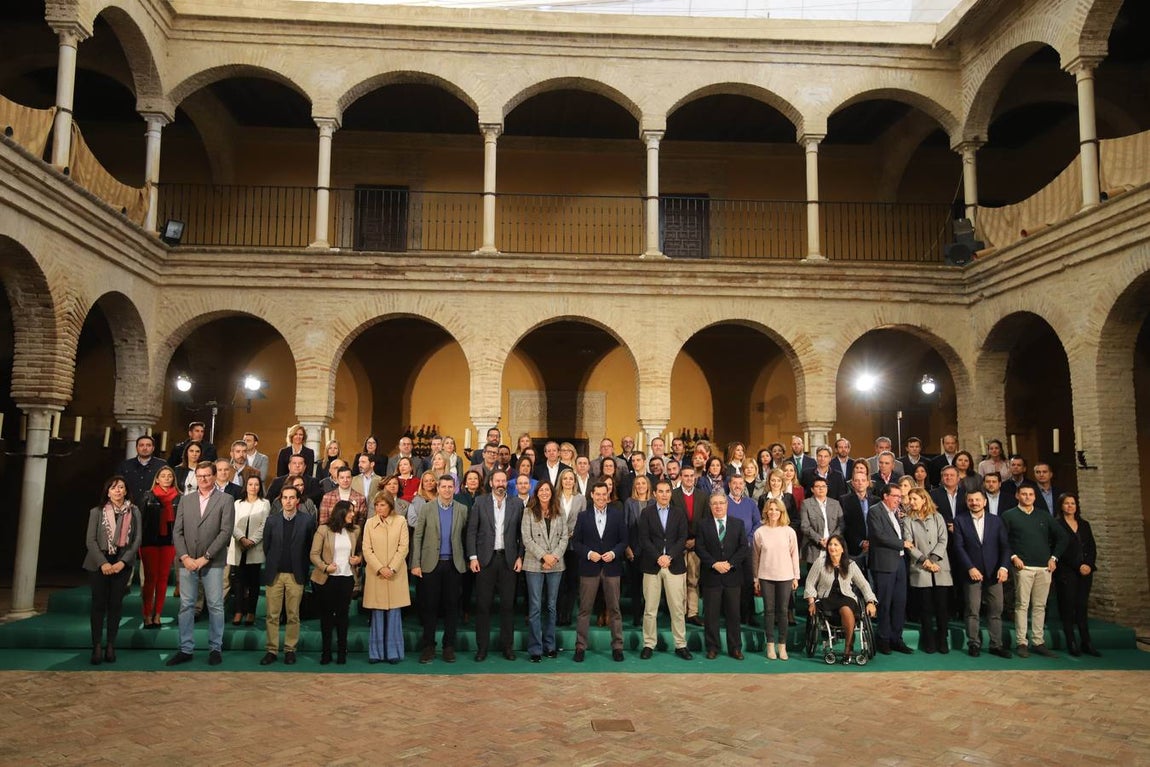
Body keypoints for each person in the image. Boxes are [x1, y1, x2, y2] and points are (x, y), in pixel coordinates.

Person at [167, 461, 235, 666]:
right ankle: (185, 649)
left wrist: (205, 557)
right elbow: (177, 532)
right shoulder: (185, 500)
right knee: (186, 606)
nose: (203, 479)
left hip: (212, 562)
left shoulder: (225, 499)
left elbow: (225, 532)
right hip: (187, 562)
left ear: (214, 476)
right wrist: (185, 557)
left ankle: (215, 648)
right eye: (199, 476)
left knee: (215, 605)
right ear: (195, 477)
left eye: (207, 475)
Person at [1002, 485, 1068, 658]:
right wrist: (1013, 556)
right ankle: (1021, 642)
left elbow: (1062, 537)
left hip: (1044, 567)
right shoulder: (1009, 515)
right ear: (1017, 495)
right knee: (1022, 605)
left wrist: (1054, 558)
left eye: (1031, 494)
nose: (1027, 497)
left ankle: (1038, 641)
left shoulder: (1043, 516)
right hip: (1023, 567)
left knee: (1040, 606)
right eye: (1024, 494)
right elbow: (1003, 540)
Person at [467, 469, 525, 662]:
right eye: (497, 481)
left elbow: (522, 533)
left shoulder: (517, 503)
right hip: (485, 560)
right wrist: (473, 557)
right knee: (483, 606)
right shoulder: (480, 502)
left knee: (508, 606)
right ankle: (481, 648)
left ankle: (507, 647)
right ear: (491, 483)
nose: (500, 484)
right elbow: (472, 531)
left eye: (503, 481)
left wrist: (520, 556)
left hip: (508, 560)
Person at [411, 475, 469, 663]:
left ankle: (448, 646)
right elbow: (417, 536)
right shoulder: (427, 508)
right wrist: (416, 563)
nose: (446, 490)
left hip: (454, 564)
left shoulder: (462, 509)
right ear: (438, 488)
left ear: (455, 488)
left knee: (452, 607)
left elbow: (466, 536)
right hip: (430, 564)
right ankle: (428, 647)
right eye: (443, 486)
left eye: (450, 487)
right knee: (430, 607)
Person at [83, 476, 141, 664]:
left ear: (126, 491)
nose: (117, 491)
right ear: (107, 491)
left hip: (121, 563)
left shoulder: (134, 511)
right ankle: (97, 646)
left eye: (121, 487)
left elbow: (136, 540)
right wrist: (103, 563)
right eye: (114, 488)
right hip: (98, 562)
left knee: (115, 604)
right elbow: (90, 540)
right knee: (98, 604)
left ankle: (110, 645)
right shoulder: (96, 512)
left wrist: (122, 562)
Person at [570, 482, 628, 662]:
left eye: (605, 495)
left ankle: (618, 647)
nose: (602, 498)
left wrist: (613, 553)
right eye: (598, 494)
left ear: (608, 496)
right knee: (585, 610)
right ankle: (580, 647)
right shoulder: (583, 516)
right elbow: (576, 543)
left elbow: (624, 541)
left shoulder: (617, 516)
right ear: (592, 496)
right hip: (589, 569)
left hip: (611, 569)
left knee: (615, 610)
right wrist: (589, 553)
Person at [259, 485, 317, 665]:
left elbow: (309, 546)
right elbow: (266, 547)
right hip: (274, 574)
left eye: (292, 497)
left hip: (296, 574)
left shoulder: (307, 521)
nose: (288, 501)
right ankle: (271, 650)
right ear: (280, 500)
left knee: (293, 615)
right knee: (272, 615)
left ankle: (290, 649)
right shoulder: (271, 521)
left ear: (298, 500)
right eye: (285, 497)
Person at [951, 487, 1011, 658]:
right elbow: (958, 547)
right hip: (971, 573)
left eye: (977, 500)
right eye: (971, 500)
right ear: (967, 502)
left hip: (995, 573)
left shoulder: (996, 521)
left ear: (985, 502)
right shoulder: (960, 521)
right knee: (972, 609)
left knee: (996, 610)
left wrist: (1004, 567)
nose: (974, 503)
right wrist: (970, 567)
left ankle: (996, 645)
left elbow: (1005, 546)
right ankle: (973, 643)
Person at [636, 479, 692, 661]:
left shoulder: (679, 513)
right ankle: (648, 644)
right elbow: (644, 539)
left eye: (667, 491)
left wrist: (669, 557)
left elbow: (682, 537)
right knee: (650, 609)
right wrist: (658, 557)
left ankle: (680, 644)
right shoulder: (646, 513)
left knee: (677, 608)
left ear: (671, 493)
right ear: (654, 494)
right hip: (652, 566)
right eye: (660, 491)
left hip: (674, 565)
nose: (664, 495)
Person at [804, 534, 878, 664]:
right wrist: (811, 601)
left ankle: (848, 647)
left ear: (842, 549)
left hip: (846, 598)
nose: (832, 547)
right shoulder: (820, 563)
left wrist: (870, 602)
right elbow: (810, 583)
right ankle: (848, 645)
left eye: (836, 545)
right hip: (826, 599)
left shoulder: (851, 565)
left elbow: (864, 585)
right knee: (842, 607)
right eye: (830, 545)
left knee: (846, 608)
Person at [310, 500, 362, 664]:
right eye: (350, 511)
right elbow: (314, 554)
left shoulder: (355, 530)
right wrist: (325, 567)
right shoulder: (324, 529)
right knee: (326, 617)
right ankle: (326, 653)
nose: (353, 514)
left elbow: (360, 552)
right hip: (327, 579)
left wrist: (358, 559)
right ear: (341, 512)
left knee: (342, 616)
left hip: (347, 578)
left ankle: (341, 652)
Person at [521, 480, 568, 662]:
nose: (545, 493)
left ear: (552, 492)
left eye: (547, 490)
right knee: (535, 608)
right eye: (542, 490)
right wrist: (544, 557)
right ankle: (535, 648)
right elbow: (527, 539)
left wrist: (553, 557)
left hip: (556, 564)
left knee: (551, 606)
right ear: (537, 492)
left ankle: (550, 646)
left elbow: (564, 537)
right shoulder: (528, 511)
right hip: (534, 564)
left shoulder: (560, 511)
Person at [696, 493, 747, 660]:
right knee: (711, 616)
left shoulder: (738, 524)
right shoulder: (703, 525)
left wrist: (730, 564)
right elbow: (700, 548)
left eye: (721, 503)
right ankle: (712, 647)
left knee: (733, 614)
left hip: (732, 577)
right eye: (714, 504)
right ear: (710, 507)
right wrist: (714, 563)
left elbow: (743, 548)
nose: (718, 506)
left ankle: (735, 648)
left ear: (727, 505)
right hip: (711, 576)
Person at [362, 492, 410, 664]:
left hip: (395, 574)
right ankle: (376, 653)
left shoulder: (401, 521)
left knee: (394, 613)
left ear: (390, 506)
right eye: (377, 505)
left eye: (382, 505)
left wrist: (391, 568)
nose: (379, 508)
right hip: (377, 575)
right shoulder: (369, 523)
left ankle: (393, 653)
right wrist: (380, 568)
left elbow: (403, 547)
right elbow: (366, 549)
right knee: (377, 613)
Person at [904, 488, 953, 654]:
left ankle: (942, 640)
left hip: (939, 567)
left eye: (914, 498)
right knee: (925, 608)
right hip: (920, 568)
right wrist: (925, 561)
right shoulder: (908, 520)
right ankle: (929, 641)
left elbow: (943, 539)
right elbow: (908, 544)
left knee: (942, 607)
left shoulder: (938, 517)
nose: (911, 501)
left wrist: (932, 560)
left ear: (924, 499)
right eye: (910, 499)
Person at [868, 482, 913, 655]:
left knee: (900, 603)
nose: (898, 499)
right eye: (895, 496)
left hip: (900, 563)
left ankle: (897, 638)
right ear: (885, 496)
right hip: (884, 564)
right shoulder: (875, 511)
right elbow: (879, 536)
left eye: (900, 497)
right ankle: (883, 638)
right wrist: (902, 543)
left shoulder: (897, 514)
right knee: (885, 603)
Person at [753, 497, 799, 660]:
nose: (773, 512)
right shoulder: (760, 532)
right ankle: (770, 645)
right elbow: (756, 557)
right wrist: (756, 578)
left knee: (783, 611)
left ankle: (782, 646)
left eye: (777, 510)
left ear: (782, 512)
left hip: (785, 576)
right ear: (766, 511)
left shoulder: (789, 531)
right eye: (770, 509)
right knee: (769, 611)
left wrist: (796, 576)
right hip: (766, 576)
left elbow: (794, 555)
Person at [1053, 492, 1098, 656]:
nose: (1070, 506)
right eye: (1066, 503)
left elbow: (1091, 547)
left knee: (1082, 606)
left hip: (1086, 571)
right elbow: (1059, 549)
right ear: (1061, 506)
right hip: (1067, 571)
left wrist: (1088, 564)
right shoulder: (1057, 524)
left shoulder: (1084, 524)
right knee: (1068, 606)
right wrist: (1078, 565)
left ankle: (1086, 641)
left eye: (1072, 503)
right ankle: (1071, 641)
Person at [140, 465, 178, 628]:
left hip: (168, 542)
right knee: (150, 579)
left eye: (169, 476)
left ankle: (158, 614)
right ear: (157, 479)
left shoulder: (179, 497)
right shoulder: (148, 496)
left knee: (163, 579)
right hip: (149, 541)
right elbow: (141, 520)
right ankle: (147, 614)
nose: (167, 478)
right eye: (163, 475)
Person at [229, 474, 268, 627]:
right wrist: (241, 538)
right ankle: (239, 611)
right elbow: (231, 523)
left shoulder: (265, 503)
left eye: (256, 484)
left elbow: (264, 525)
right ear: (246, 486)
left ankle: (251, 612)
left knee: (253, 582)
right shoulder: (237, 503)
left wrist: (251, 540)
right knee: (238, 582)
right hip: (239, 546)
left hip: (254, 547)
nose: (253, 487)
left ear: (260, 487)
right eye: (250, 484)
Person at [670, 465, 705, 626]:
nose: (689, 478)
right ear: (680, 477)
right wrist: (681, 541)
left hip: (696, 544)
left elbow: (706, 522)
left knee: (693, 579)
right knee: (678, 581)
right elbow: (669, 519)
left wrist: (696, 540)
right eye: (686, 476)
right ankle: (680, 612)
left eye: (692, 476)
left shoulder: (703, 496)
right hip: (678, 544)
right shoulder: (673, 495)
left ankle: (692, 612)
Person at [555, 467, 586, 627]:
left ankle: (567, 614)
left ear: (574, 482)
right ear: (561, 480)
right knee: (558, 581)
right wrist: (561, 534)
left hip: (574, 545)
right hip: (555, 545)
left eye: (571, 479)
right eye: (565, 478)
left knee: (572, 582)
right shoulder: (554, 497)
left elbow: (583, 520)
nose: (568, 481)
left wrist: (573, 532)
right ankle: (557, 613)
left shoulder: (580, 498)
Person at [623, 474, 653, 627]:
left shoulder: (654, 502)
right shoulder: (630, 502)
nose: (641, 486)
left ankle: (648, 616)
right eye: (638, 483)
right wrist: (627, 547)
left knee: (648, 587)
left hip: (650, 551)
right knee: (635, 585)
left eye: (643, 483)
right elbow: (625, 526)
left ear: (648, 485)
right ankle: (636, 617)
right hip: (633, 550)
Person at [800, 477, 844, 565]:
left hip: (834, 548)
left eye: (824, 486)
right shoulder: (806, 504)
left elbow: (841, 524)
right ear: (812, 489)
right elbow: (805, 526)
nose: (821, 488)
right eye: (817, 486)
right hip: (814, 548)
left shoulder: (835, 504)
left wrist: (831, 540)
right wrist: (820, 540)